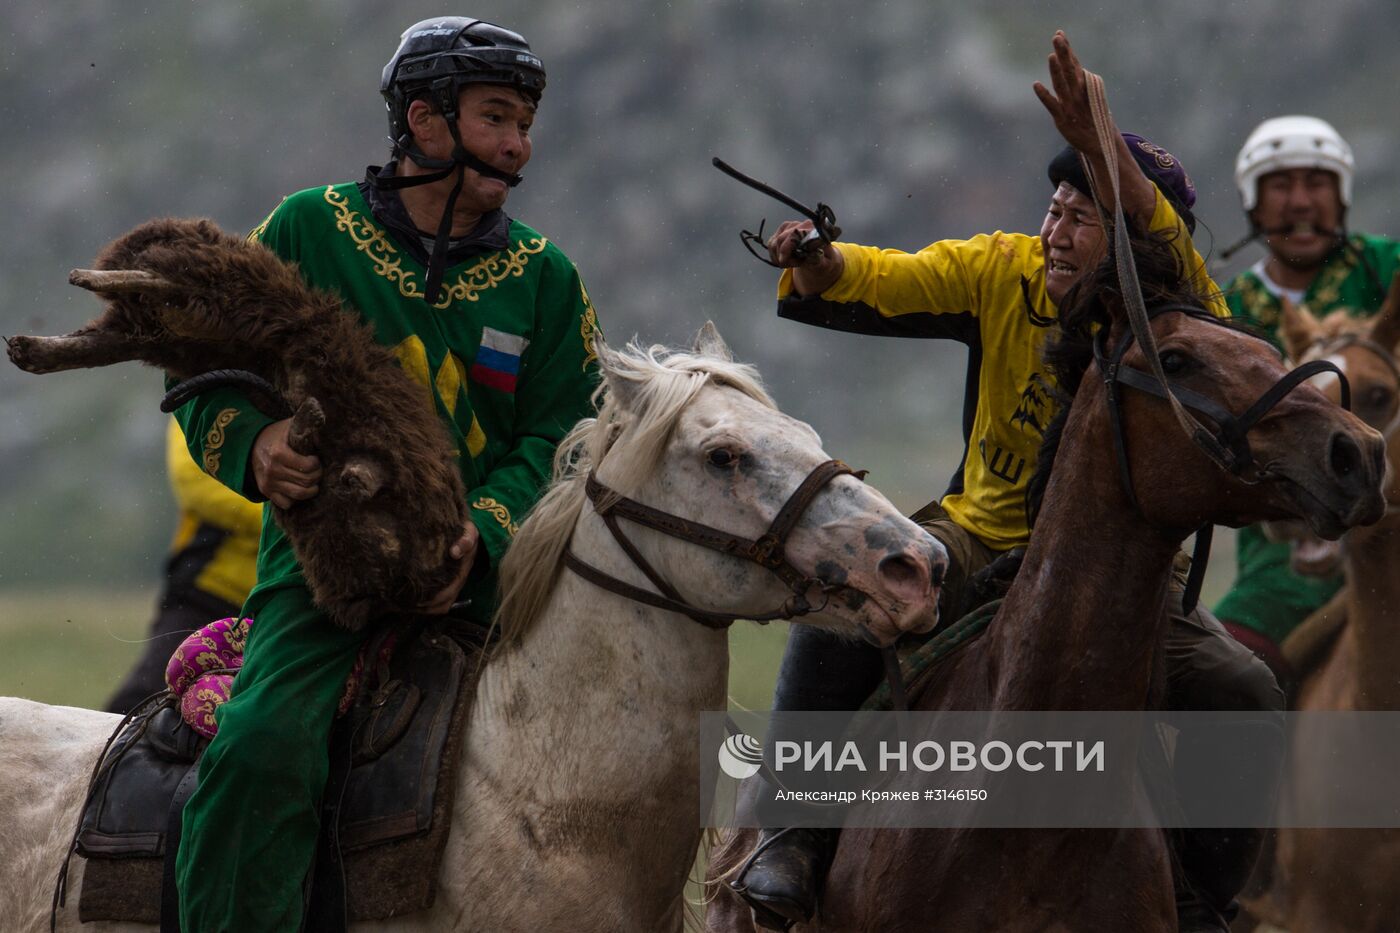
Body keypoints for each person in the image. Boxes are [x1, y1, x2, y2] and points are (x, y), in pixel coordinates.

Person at [731, 33, 1281, 933]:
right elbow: (882, 276)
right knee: (844, 610)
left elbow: (1178, 266)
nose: (1057, 229)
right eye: (1055, 206)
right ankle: (792, 830)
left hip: (1132, 576)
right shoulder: (1000, 267)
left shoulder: (1184, 324)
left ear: (1142, 240)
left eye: (1085, 212)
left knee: (1247, 693)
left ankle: (1199, 900)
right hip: (978, 540)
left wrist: (1117, 162)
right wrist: (821, 261)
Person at [169, 17, 601, 930]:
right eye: (496, 117)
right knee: (258, 749)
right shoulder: (305, 229)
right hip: (325, 583)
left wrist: (480, 533)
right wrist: (254, 442)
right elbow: (199, 366)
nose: (519, 143)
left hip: (496, 587)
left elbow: (565, 438)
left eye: (525, 121)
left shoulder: (548, 280)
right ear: (425, 120)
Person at [1213, 115, 1400, 686]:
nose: (1300, 202)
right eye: (1280, 186)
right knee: (1222, 673)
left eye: (1316, 184)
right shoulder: (1225, 309)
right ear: (1253, 202)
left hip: (1395, 523)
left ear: (1340, 197)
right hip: (1283, 559)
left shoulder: (1386, 269)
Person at [103, 419, 262, 714]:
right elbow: (198, 482)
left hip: (299, 601)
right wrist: (299, 517)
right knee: (143, 704)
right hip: (211, 591)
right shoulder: (205, 391)